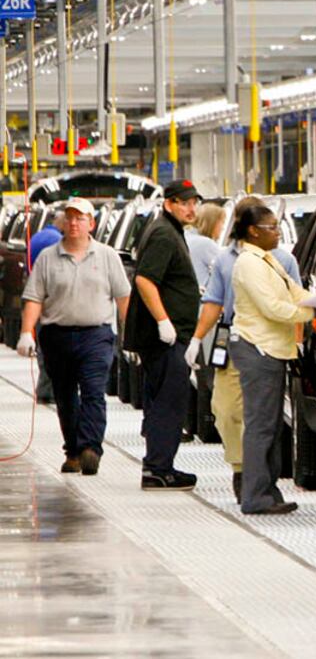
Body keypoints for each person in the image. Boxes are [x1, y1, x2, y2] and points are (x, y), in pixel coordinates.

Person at [184, 196, 302, 504]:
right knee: (226, 410)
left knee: (264, 419)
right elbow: (214, 302)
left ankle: (255, 479)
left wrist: (298, 342)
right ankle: (243, 469)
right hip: (232, 337)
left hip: (269, 342)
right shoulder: (225, 259)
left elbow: (295, 300)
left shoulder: (283, 260)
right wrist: (197, 339)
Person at [17, 198, 130, 476]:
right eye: (69, 218)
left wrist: (130, 336)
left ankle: (91, 448)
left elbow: (123, 297)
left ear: (91, 223)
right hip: (57, 336)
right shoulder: (47, 258)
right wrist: (25, 333)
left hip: (96, 335)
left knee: (93, 392)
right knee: (65, 396)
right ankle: (73, 451)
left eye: (80, 218)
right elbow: (34, 298)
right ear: (63, 223)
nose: (74, 223)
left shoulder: (107, 256)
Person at [229, 204, 315, 515]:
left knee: (271, 426)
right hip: (258, 349)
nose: (278, 232)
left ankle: (267, 490)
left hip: (270, 349)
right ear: (253, 231)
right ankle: (255, 497)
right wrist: (314, 314)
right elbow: (273, 308)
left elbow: (295, 293)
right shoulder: (250, 264)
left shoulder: (268, 261)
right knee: (260, 426)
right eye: (272, 227)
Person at [124, 178, 202, 491]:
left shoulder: (168, 231)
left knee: (163, 400)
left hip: (170, 337)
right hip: (164, 338)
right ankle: (158, 468)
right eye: (185, 202)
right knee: (169, 402)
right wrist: (163, 321)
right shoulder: (163, 235)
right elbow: (145, 280)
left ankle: (158, 464)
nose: (191, 208)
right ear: (169, 203)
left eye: (194, 202)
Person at [29, 211, 66, 403]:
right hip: (53, 299)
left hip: (37, 295)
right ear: (61, 222)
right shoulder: (57, 240)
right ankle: (49, 391)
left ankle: (44, 389)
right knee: (54, 350)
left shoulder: (37, 236)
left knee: (43, 347)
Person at [185, 202, 226, 290]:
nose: (223, 228)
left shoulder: (185, 236)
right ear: (212, 223)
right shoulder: (205, 243)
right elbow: (227, 269)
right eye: (222, 222)